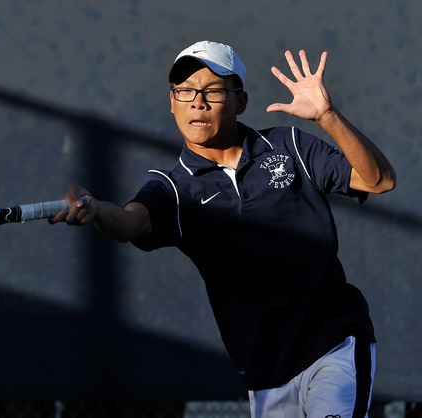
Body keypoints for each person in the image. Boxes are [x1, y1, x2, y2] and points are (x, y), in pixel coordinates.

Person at [50, 40, 396, 417]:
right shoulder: (172, 189)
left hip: (333, 343)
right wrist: (95, 208)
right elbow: (131, 222)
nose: (196, 101)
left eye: (212, 90)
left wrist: (327, 116)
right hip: (266, 373)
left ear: (240, 101)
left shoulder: (289, 146)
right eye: (184, 91)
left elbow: (378, 180)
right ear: (172, 103)